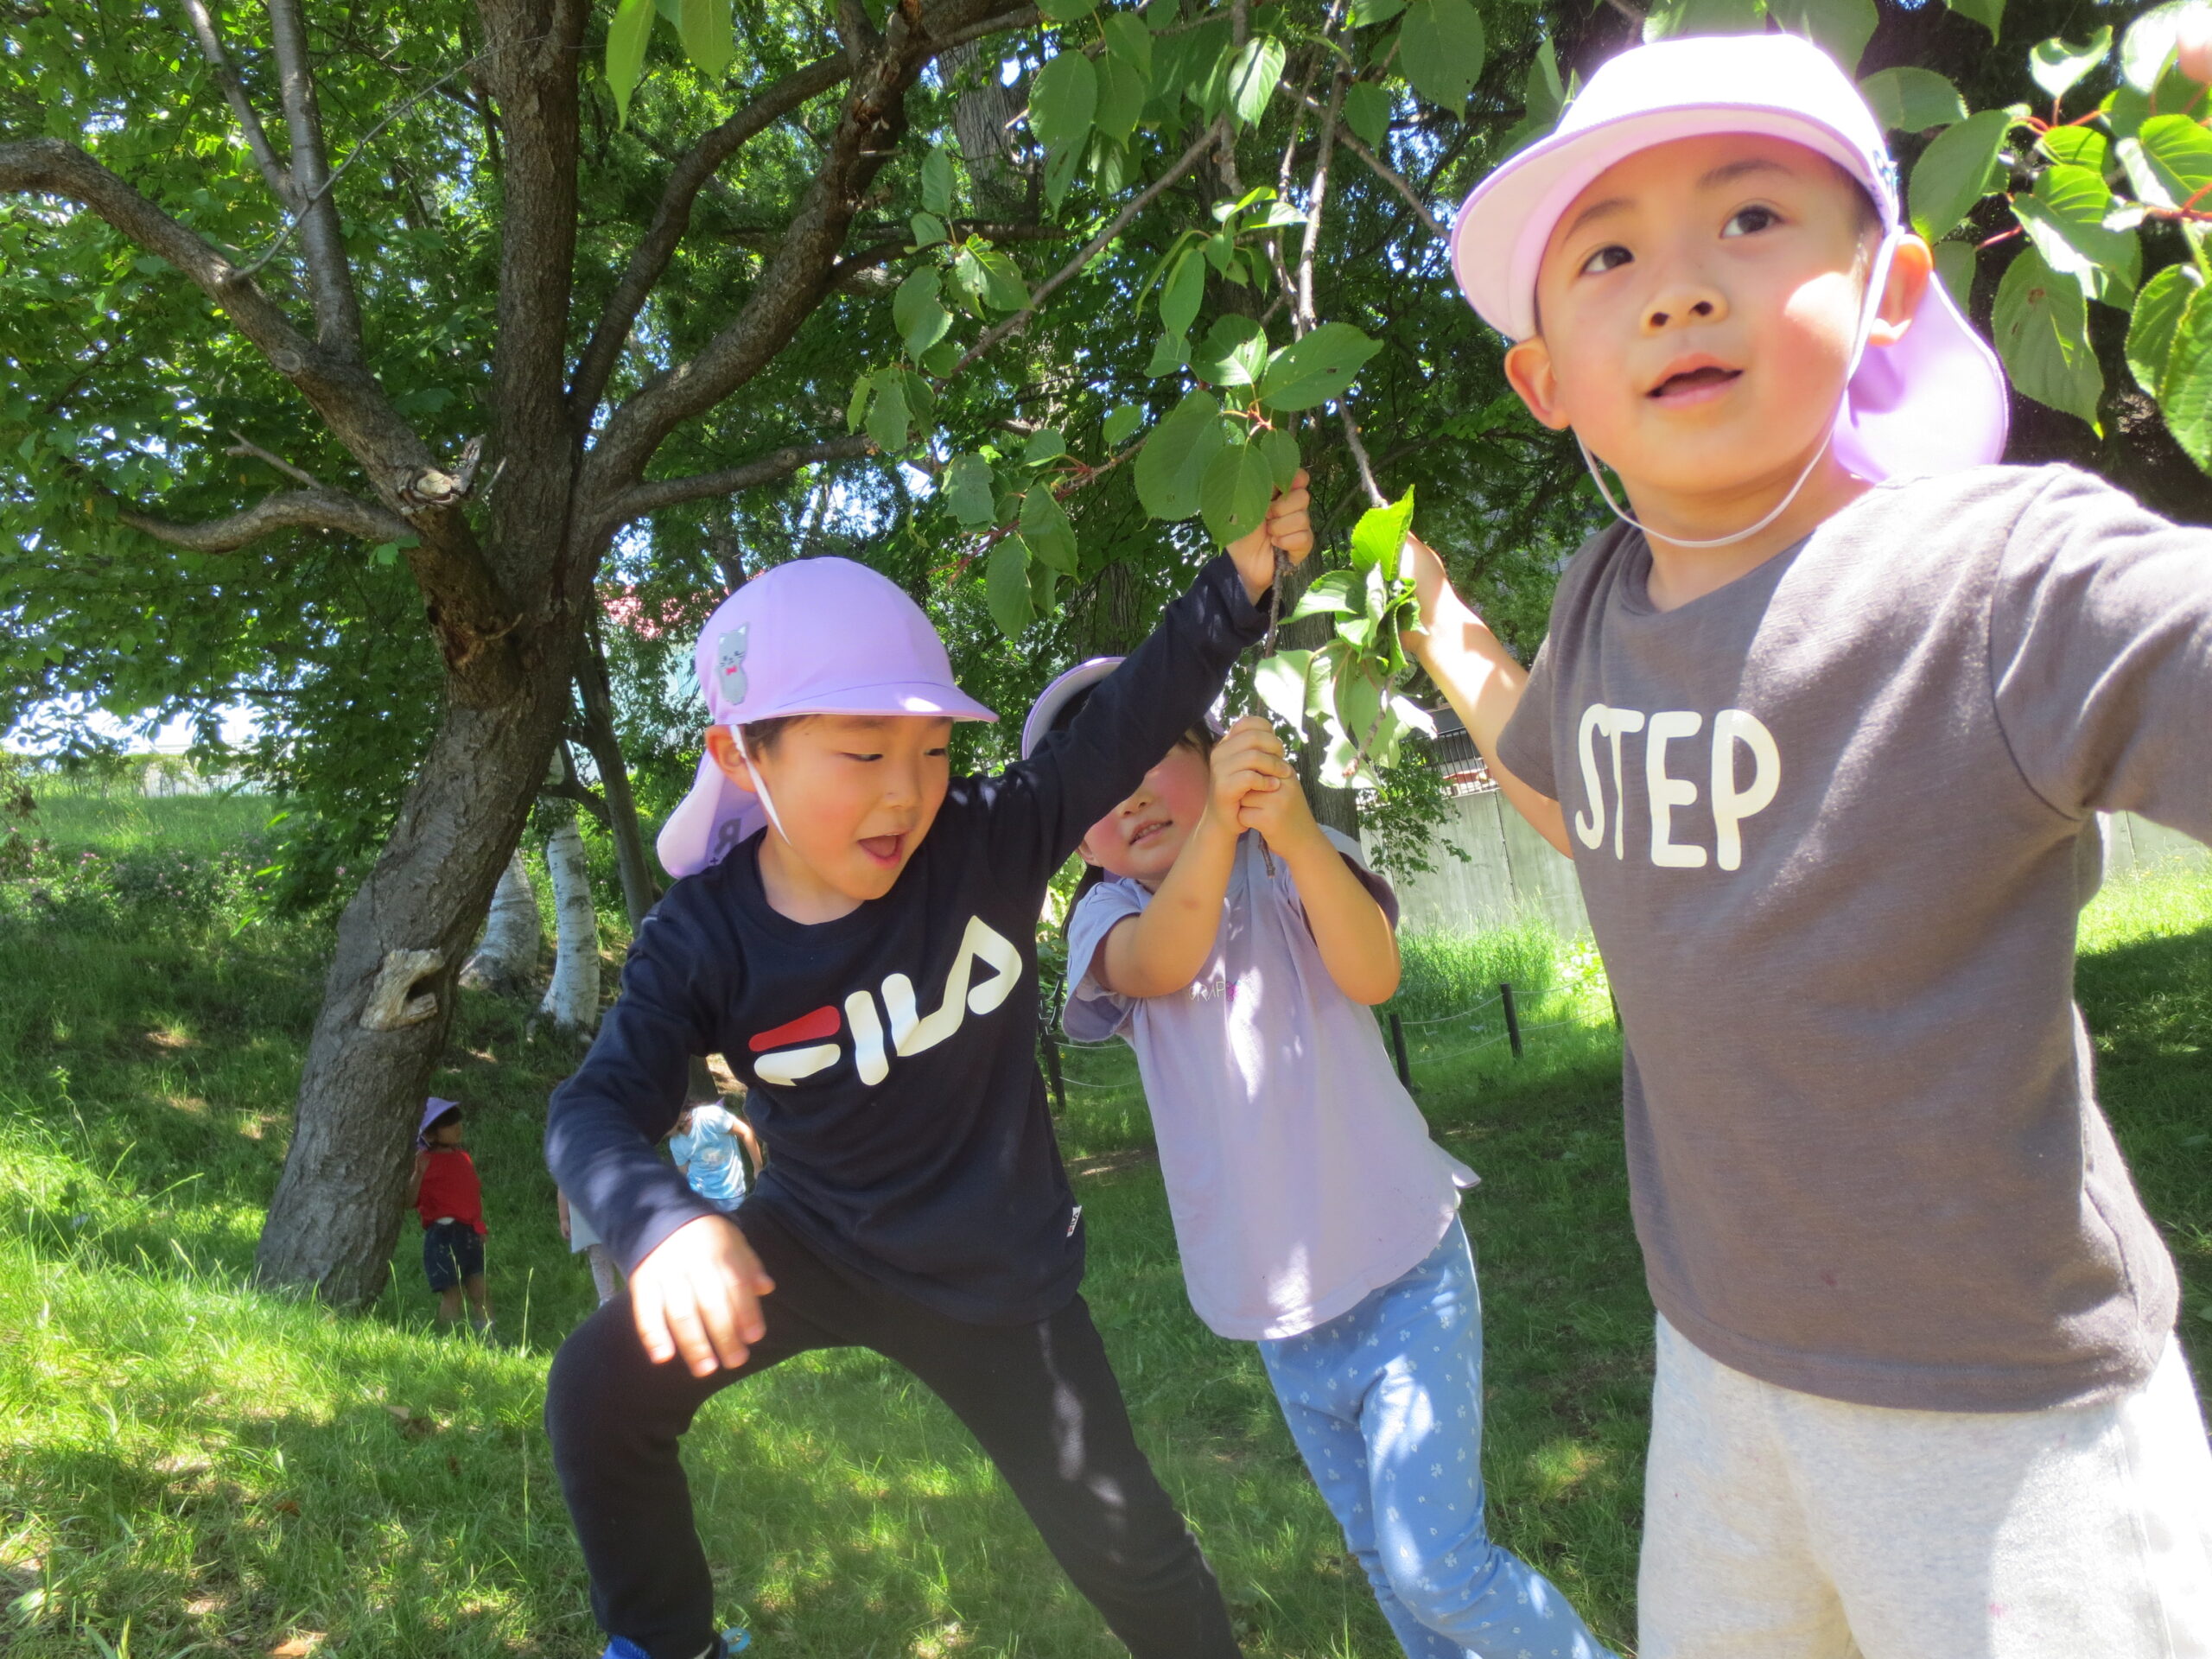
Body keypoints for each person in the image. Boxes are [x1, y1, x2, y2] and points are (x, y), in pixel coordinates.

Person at [1400, 30, 2212, 1658]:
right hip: (1719, 1371)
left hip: (2006, 1424)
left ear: (1891, 289)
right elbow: (1588, 805)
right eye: (1609, 255)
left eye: (1753, 218)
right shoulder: (1602, 601)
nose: (1678, 289)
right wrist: (1442, 635)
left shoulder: (1994, 580)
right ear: (1547, 382)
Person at [543, 486, 1311, 1659]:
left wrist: (1241, 581)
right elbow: (593, 1107)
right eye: (864, 752)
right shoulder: (702, 937)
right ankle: (666, 1646)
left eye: (934, 750)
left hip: (995, 1270)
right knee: (598, 1389)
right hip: (812, 1244)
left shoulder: (992, 839)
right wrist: (662, 1226)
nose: (907, 791)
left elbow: (1128, 718)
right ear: (742, 755)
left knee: (1129, 1547)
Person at [1041, 660, 1615, 1659]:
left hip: (1403, 1268)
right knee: (1386, 1563)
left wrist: (1295, 834)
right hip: (1281, 1311)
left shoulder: (1291, 859)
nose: (1128, 794)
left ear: (1213, 755)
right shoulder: (1108, 916)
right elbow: (1163, 961)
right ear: (1074, 837)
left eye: (1151, 756)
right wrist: (1219, 831)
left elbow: (1372, 973)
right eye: (1096, 780)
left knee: (1437, 1565)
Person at [410, 1096, 492, 1338]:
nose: (457, 1127)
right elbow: (409, 1200)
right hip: (441, 1235)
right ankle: (449, 1339)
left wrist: (479, 1226)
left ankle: (488, 1336)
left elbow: (470, 1196)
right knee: (452, 1293)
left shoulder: (463, 1158)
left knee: (479, 1290)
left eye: (457, 1121)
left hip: (469, 1233)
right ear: (430, 1134)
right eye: (448, 1124)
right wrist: (417, 1174)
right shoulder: (423, 1161)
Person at [667, 1096, 761, 1214]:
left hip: (730, 1193)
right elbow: (684, 1171)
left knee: (735, 1224)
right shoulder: (675, 1142)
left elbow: (745, 1132)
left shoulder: (710, 1116)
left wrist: (758, 1168)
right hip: (700, 1194)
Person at [559, 1185, 623, 1306]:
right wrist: (564, 1219)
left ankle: (637, 1290)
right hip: (588, 1222)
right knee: (600, 1261)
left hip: (610, 1216)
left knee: (621, 1257)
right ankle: (607, 1298)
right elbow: (563, 1188)